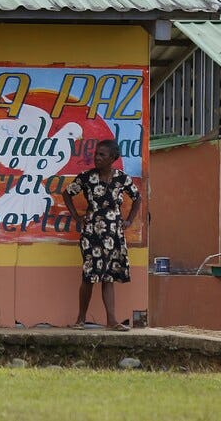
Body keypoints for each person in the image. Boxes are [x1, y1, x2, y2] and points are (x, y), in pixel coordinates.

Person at [62, 139, 141, 331]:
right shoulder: (87, 177)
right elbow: (67, 193)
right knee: (89, 276)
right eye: (96, 154)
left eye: (102, 155)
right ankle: (80, 320)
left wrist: (129, 220)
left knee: (108, 277)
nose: (97, 158)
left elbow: (137, 197)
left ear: (113, 158)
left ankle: (112, 321)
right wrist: (77, 217)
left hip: (113, 234)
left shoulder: (122, 179)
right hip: (92, 234)